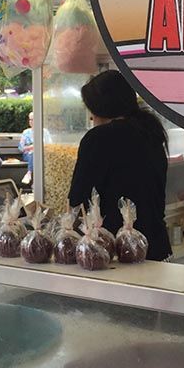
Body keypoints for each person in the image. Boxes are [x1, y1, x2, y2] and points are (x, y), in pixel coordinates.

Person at [68, 70, 172, 261]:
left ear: (100, 109)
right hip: (156, 246)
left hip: (116, 251)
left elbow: (78, 200)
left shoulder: (98, 138)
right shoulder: (151, 131)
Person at [19, 111, 52, 185]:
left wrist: (38, 147)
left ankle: (30, 174)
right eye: (30, 119)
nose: (30, 121)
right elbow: (21, 148)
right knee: (33, 154)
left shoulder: (45, 132)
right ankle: (30, 175)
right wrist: (31, 147)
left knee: (37, 155)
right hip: (28, 155)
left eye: (32, 119)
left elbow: (50, 145)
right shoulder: (26, 132)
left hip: (42, 155)